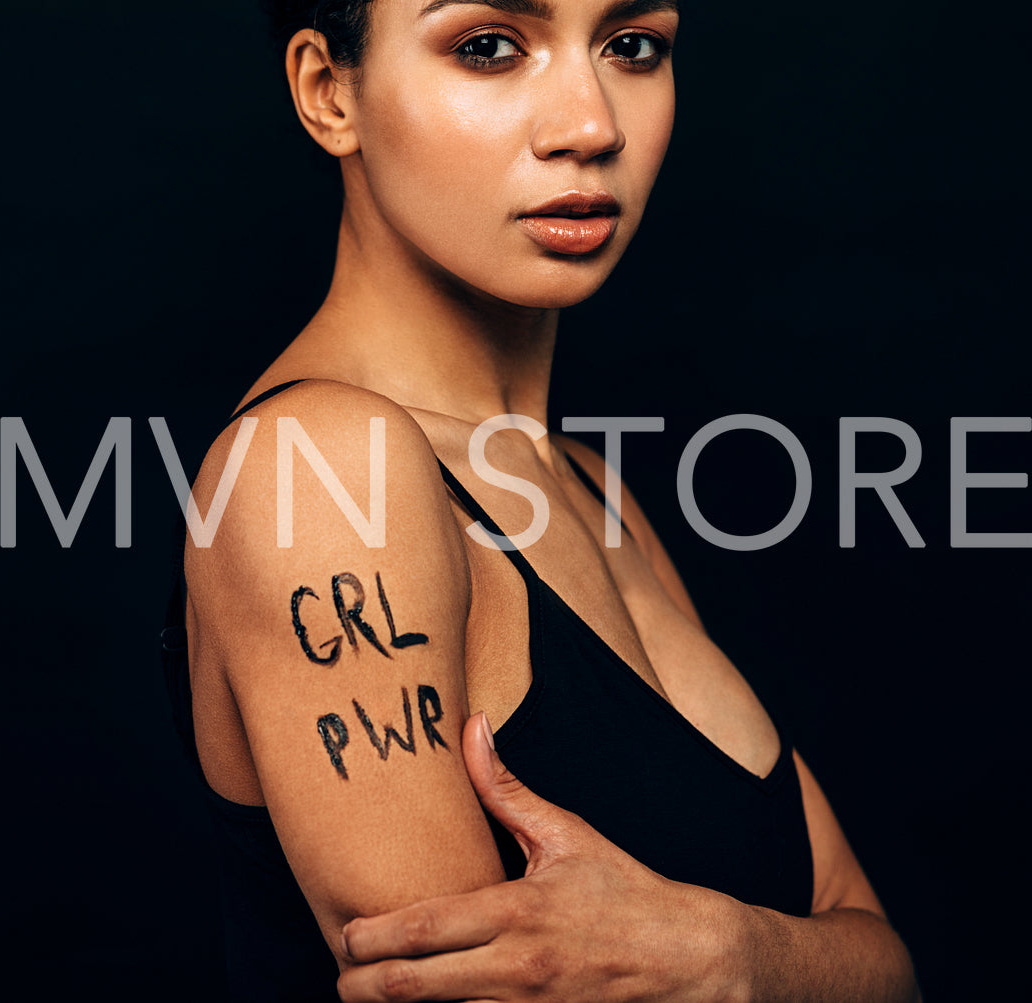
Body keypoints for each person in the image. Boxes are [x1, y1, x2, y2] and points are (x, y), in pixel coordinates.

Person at [161, 1, 922, 999]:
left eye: (630, 46)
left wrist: (729, 953)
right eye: (488, 47)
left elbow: (884, 958)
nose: (592, 123)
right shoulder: (320, 466)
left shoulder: (588, 492)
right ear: (327, 93)